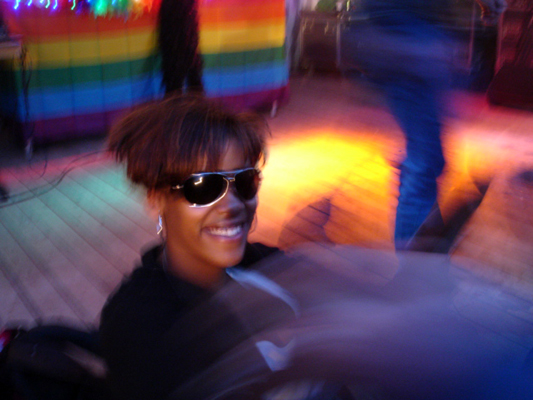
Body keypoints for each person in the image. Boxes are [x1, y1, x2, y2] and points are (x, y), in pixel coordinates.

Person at [99, 95, 278, 400]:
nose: (232, 205)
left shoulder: (268, 266)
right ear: (156, 199)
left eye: (245, 181)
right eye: (204, 187)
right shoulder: (138, 326)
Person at [343, 0, 504, 250]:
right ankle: (415, 259)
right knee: (424, 165)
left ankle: (423, 237)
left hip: (413, 39)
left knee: (425, 159)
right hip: (411, 42)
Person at [157, 0, 204, 95]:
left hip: (175, 37)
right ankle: (193, 97)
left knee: (175, 76)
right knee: (188, 73)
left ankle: (177, 97)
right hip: (180, 34)